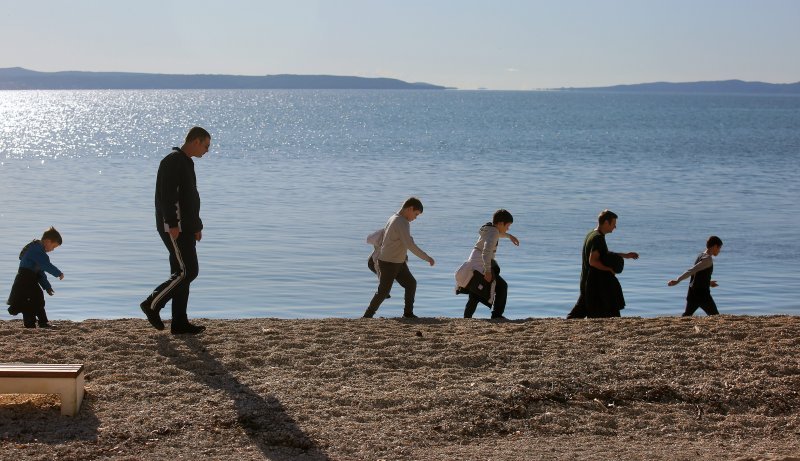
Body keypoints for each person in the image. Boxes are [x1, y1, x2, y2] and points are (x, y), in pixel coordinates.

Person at [140, 126, 211, 334]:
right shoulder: (172, 161)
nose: (207, 151)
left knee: (182, 274)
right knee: (187, 271)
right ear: (196, 141)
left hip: (186, 227)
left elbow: (190, 199)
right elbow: (167, 196)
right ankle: (152, 304)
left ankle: (179, 322)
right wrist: (172, 223)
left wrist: (197, 226)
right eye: (206, 145)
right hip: (175, 227)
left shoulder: (187, 162)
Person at [363, 197, 435, 319]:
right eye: (416, 214)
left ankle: (408, 313)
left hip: (399, 262)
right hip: (388, 262)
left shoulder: (394, 217)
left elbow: (397, 241)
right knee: (383, 292)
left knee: (411, 284)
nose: (415, 218)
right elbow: (410, 245)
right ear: (410, 208)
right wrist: (427, 258)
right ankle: (367, 316)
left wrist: (404, 256)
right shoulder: (401, 222)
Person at [567, 209, 639, 319]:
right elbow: (593, 261)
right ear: (606, 222)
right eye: (613, 224)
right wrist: (608, 269)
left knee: (580, 311)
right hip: (591, 283)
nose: (615, 227)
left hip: (587, 280)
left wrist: (625, 255)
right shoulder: (597, 238)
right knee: (582, 311)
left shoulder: (592, 234)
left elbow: (603, 255)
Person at [455, 209, 520, 320]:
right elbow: (486, 252)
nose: (508, 228)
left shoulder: (489, 229)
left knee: (476, 291)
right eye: (507, 226)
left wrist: (510, 236)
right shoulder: (493, 233)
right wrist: (488, 271)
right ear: (500, 223)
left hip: (474, 262)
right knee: (501, 286)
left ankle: (467, 318)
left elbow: (499, 234)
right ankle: (497, 315)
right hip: (480, 265)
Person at [6, 227, 64, 328]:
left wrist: (47, 287)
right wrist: (58, 273)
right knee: (36, 298)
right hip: (25, 278)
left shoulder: (38, 252)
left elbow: (40, 274)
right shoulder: (36, 250)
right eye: (53, 246)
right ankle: (40, 322)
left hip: (27, 279)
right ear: (47, 241)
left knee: (32, 300)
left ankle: (35, 323)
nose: (53, 249)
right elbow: (46, 265)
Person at [668, 236, 723, 316]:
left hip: (692, 292)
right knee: (715, 315)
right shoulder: (707, 259)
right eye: (719, 248)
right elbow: (692, 270)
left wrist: (709, 282)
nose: (719, 251)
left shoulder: (701, 255)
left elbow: (698, 274)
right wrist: (678, 280)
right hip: (702, 294)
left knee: (687, 315)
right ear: (715, 246)